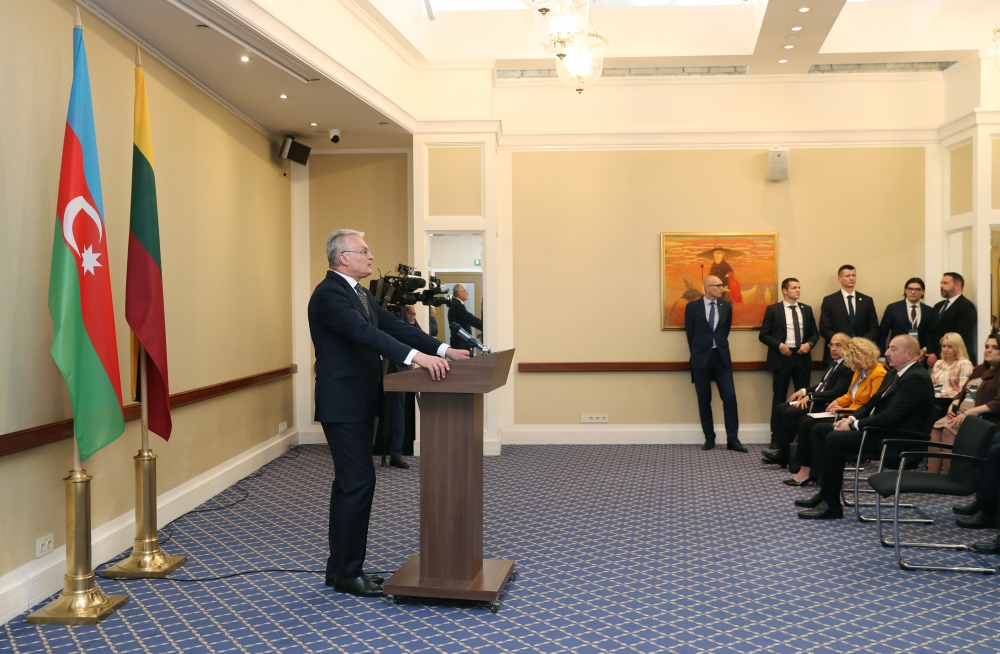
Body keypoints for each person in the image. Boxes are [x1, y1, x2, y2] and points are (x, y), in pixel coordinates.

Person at [309, 229, 470, 597]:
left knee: (349, 484)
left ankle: (340, 569)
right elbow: (366, 334)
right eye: (364, 251)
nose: (371, 256)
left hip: (360, 401)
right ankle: (349, 573)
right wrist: (417, 358)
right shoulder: (329, 294)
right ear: (343, 257)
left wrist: (443, 349)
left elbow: (394, 326)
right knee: (358, 483)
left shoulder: (360, 294)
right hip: (342, 404)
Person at [797, 335, 933, 519]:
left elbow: (891, 416)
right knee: (821, 430)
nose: (887, 353)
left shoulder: (916, 378)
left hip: (896, 440)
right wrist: (851, 419)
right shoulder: (894, 373)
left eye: (893, 349)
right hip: (882, 431)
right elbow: (871, 404)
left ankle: (832, 504)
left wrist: (855, 425)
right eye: (888, 348)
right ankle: (825, 493)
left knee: (835, 438)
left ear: (909, 354)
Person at [785, 337, 886, 485]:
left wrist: (845, 410)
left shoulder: (878, 374)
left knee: (811, 425)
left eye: (851, 359)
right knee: (805, 420)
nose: (849, 363)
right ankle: (807, 468)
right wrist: (838, 402)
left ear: (861, 356)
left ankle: (811, 471)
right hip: (847, 411)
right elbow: (850, 395)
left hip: (855, 417)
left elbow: (871, 405)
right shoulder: (859, 370)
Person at [762, 332, 852, 468]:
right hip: (817, 400)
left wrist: (811, 396)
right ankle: (781, 449)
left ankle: (784, 455)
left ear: (848, 347)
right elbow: (822, 385)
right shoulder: (834, 363)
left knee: (790, 412)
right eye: (831, 345)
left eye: (838, 345)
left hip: (826, 405)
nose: (833, 349)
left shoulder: (847, 366)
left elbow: (837, 392)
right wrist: (804, 391)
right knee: (780, 408)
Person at [684, 275, 747, 452]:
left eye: (722, 285)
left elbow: (724, 331)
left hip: (721, 358)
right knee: (704, 399)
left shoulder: (726, 306)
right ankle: (709, 438)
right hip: (701, 359)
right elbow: (690, 334)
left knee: (730, 397)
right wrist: (699, 352)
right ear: (707, 288)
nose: (721, 288)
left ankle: (733, 440)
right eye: (718, 285)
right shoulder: (693, 307)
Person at [927, 335, 999, 475]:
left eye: (995, 347)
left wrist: (969, 413)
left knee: (949, 429)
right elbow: (961, 393)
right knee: (936, 427)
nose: (988, 350)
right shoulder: (980, 369)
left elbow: (997, 403)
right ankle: (932, 477)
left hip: (982, 418)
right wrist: (953, 405)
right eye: (987, 347)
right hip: (960, 414)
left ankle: (949, 478)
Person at [759, 278, 819, 409]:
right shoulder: (774, 310)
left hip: (802, 357)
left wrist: (809, 344)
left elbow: (815, 333)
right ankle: (777, 423)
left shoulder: (806, 309)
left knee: (803, 398)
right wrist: (780, 345)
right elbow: (763, 335)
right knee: (779, 396)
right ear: (784, 291)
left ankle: (800, 423)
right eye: (794, 288)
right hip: (781, 358)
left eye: (799, 287)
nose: (798, 290)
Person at [383, 305, 427, 470]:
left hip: (398, 368)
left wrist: (411, 320)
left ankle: (396, 454)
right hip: (371, 366)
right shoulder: (372, 302)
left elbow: (417, 337)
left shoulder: (404, 310)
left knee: (397, 414)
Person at [819, 265, 879, 363]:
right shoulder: (829, 301)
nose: (851, 278)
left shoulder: (867, 300)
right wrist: (844, 342)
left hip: (861, 354)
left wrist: (859, 342)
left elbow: (874, 328)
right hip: (838, 354)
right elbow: (824, 329)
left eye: (853, 275)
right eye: (847, 276)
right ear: (839, 279)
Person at [926, 272, 978, 366]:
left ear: (957, 285)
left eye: (945, 283)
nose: (941, 286)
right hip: (938, 360)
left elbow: (961, 335)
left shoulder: (966, 306)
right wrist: (931, 353)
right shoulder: (938, 306)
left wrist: (937, 355)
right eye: (941, 283)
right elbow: (930, 331)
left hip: (957, 359)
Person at [878, 278, 932, 354]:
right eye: (910, 289)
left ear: (923, 292)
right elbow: (882, 334)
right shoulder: (893, 308)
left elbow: (930, 335)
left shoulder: (929, 310)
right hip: (896, 354)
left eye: (917, 289)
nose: (913, 292)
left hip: (920, 355)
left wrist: (925, 349)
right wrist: (881, 357)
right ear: (905, 290)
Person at [929, 332, 973, 399]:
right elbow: (931, 385)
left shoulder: (964, 364)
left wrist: (939, 395)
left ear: (958, 348)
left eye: (950, 347)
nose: (945, 349)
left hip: (953, 400)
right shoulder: (938, 363)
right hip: (935, 398)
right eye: (943, 346)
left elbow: (962, 391)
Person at [447, 284, 483, 351]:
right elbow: (470, 318)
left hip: (461, 342)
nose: (467, 293)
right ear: (459, 293)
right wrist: (485, 327)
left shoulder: (456, 304)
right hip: (460, 343)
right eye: (465, 291)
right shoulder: (457, 305)